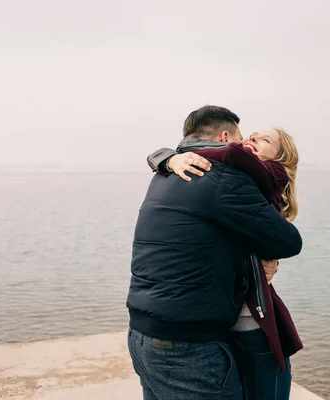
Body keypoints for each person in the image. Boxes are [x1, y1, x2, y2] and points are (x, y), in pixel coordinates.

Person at [126, 105, 303, 400]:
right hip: (187, 347)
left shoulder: (165, 175)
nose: (245, 143)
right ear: (225, 137)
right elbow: (288, 242)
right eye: (243, 137)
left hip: (142, 336)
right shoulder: (222, 177)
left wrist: (166, 158)